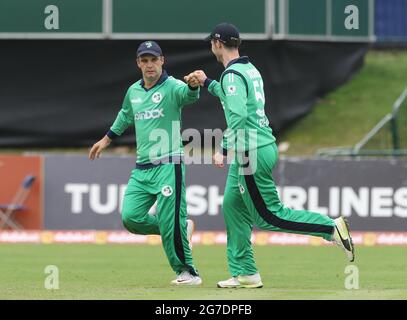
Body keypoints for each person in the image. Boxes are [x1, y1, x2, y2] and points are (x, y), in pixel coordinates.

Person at [184, 23, 354, 288]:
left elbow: (238, 117)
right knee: (232, 205)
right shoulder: (248, 69)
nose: (211, 46)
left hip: (250, 150)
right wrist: (207, 82)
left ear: (217, 43)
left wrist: (223, 149)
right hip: (255, 148)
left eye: (211, 42)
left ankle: (330, 228)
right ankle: (246, 273)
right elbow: (238, 103)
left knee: (269, 215)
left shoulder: (233, 75)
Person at [89, 40, 202, 285]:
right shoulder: (134, 91)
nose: (150, 65)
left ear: (162, 60)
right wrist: (106, 139)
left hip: (169, 165)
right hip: (142, 168)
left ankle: (188, 272)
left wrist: (193, 86)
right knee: (131, 218)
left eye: (154, 60)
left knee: (169, 218)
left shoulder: (173, 87)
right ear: (138, 63)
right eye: (145, 60)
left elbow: (188, 96)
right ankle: (180, 228)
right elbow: (125, 115)